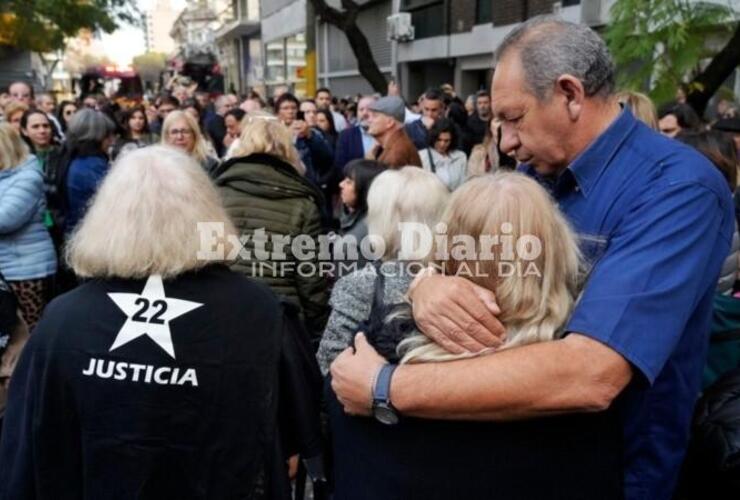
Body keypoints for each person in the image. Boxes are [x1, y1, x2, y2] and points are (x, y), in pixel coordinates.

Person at [330, 17, 734, 500]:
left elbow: (592, 374)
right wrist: (426, 281)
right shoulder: (538, 167)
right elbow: (457, 246)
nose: (505, 142)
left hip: (614, 472)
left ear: (569, 94)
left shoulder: (675, 190)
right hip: (503, 456)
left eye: (514, 118)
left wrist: (384, 387)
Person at [0, 146, 323, 499]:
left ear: (106, 217)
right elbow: (297, 434)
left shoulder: (63, 319)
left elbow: (24, 447)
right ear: (207, 212)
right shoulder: (260, 310)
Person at [327, 173, 623, 499]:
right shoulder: (592, 352)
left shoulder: (375, 350)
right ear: (557, 246)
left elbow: (341, 415)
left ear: (448, 243)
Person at [317, 166, 449, 373]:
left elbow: (330, 364)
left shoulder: (360, 285)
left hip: (372, 399)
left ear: (384, 218)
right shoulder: (466, 276)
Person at [215, 112, 330, 342]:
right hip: (281, 320)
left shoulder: (216, 194)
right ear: (288, 149)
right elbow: (310, 278)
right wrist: (318, 328)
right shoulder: (303, 203)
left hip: (223, 314)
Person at [0, 124, 57, 332]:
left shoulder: (28, 177)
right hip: (8, 269)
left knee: (30, 333)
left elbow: (6, 219)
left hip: (25, 270)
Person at [61, 109, 116, 235]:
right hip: (92, 235)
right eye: (107, 136)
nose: (111, 141)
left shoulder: (70, 158)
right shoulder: (92, 166)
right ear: (95, 137)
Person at [275, 93, 334, 202]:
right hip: (283, 188)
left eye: (293, 108)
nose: (290, 111)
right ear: (278, 112)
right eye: (285, 108)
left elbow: (327, 156)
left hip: (307, 188)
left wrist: (309, 136)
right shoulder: (272, 133)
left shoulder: (309, 132)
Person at [331, 159, 386, 278]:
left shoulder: (356, 240)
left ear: (365, 189)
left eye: (349, 182)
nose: (341, 185)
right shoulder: (377, 219)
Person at [367, 96, 421, 168]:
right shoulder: (397, 144)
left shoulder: (395, 155)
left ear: (390, 122)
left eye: (375, 116)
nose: (369, 120)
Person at [161, 110, 219, 176]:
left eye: (185, 131)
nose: (179, 137)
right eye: (174, 132)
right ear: (166, 137)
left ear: (194, 135)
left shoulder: (210, 166)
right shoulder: (159, 166)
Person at [419, 118, 467, 191]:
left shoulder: (460, 156)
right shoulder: (422, 156)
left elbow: (463, 183)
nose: (442, 144)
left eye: (446, 141)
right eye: (439, 140)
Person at [334, 95, 378, 171]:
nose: (365, 113)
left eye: (369, 109)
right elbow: (340, 165)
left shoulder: (386, 134)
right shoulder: (346, 136)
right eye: (361, 110)